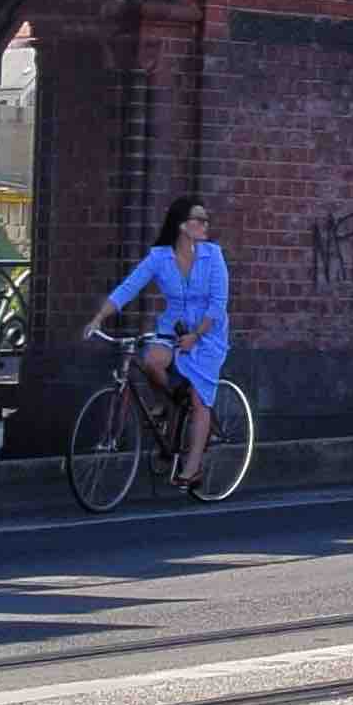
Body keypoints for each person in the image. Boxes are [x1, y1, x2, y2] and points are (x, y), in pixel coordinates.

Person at [91, 192, 231, 491]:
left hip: (207, 336)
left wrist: (197, 335)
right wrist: (99, 317)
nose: (206, 224)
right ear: (182, 225)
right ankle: (168, 406)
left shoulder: (213, 256)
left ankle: (192, 469)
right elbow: (130, 286)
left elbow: (218, 305)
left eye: (206, 220)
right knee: (152, 361)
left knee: (198, 397)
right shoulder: (160, 257)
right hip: (172, 330)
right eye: (199, 219)